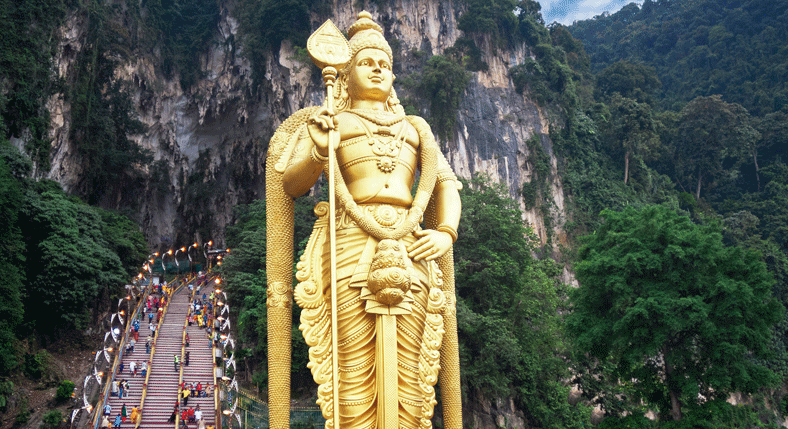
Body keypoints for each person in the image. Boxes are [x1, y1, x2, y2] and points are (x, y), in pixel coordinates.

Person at [270, 11, 462, 429]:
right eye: (367, 62)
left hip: (411, 246)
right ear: (345, 72)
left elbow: (446, 184)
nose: (378, 70)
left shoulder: (415, 129)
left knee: (413, 377)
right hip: (349, 241)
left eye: (385, 65)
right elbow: (290, 183)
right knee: (351, 372)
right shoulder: (331, 121)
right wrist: (319, 150)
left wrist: (446, 231)